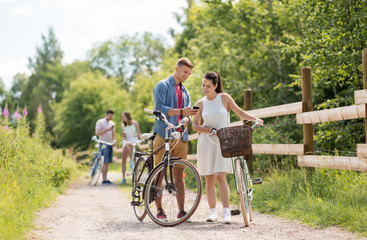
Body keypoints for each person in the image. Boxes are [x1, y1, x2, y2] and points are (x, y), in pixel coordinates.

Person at [193, 71, 263, 224]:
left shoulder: (224, 98)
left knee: (220, 176)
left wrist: (254, 118)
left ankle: (226, 212)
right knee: (209, 178)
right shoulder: (200, 103)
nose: (205, 89)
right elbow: (195, 126)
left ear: (216, 85)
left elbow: (239, 112)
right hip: (206, 142)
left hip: (223, 141)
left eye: (208, 86)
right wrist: (208, 129)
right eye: (203, 85)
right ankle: (212, 212)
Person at [152, 57, 199, 220]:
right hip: (162, 135)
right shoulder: (162, 85)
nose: (187, 75)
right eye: (185, 72)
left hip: (180, 137)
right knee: (159, 173)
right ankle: (159, 210)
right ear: (176, 68)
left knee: (179, 174)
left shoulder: (186, 92)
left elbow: (189, 116)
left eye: (189, 73)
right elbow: (159, 108)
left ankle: (181, 211)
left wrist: (186, 119)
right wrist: (181, 112)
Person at [120, 111, 142, 184]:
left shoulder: (135, 123)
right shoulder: (123, 126)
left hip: (134, 141)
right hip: (127, 142)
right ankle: (123, 177)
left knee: (127, 146)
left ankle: (132, 162)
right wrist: (126, 142)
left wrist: (142, 138)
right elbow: (124, 137)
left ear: (127, 117)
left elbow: (139, 133)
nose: (123, 118)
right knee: (123, 159)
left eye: (124, 116)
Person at [95, 109, 116, 185]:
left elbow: (114, 134)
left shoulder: (112, 123)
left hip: (110, 144)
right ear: (106, 114)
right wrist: (107, 129)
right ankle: (103, 179)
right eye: (109, 116)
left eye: (112, 116)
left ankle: (106, 178)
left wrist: (114, 141)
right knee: (104, 161)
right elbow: (97, 133)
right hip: (103, 143)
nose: (110, 117)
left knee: (107, 162)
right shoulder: (100, 122)